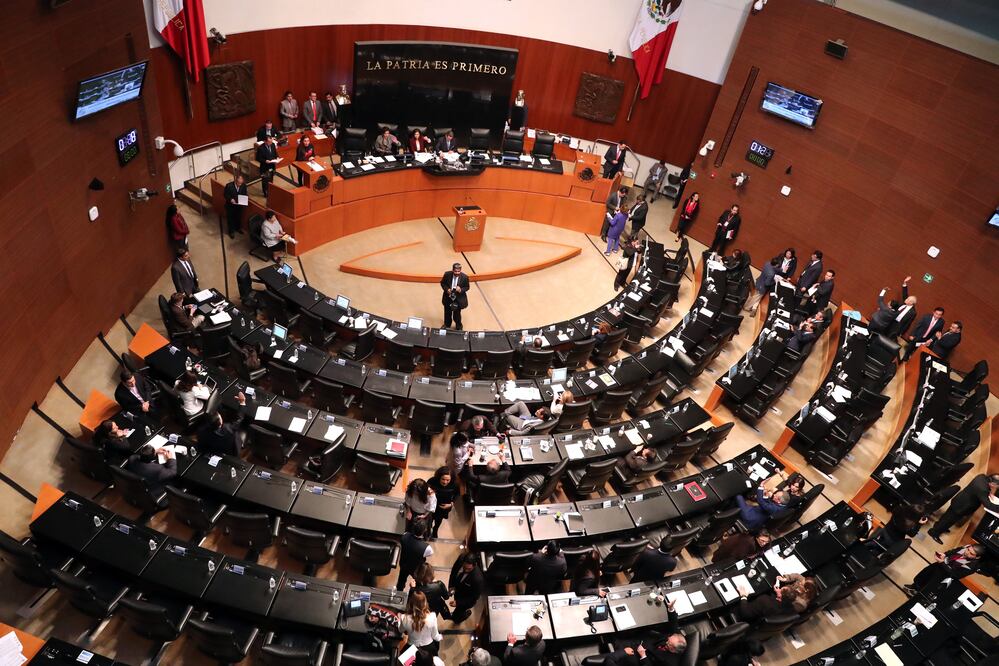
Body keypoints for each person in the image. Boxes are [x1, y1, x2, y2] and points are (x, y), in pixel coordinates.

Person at [604, 600, 685, 665]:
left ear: (673, 649)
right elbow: (674, 624)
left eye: (669, 643)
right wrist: (671, 609)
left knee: (620, 644)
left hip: (643, 658)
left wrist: (643, 656)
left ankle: (609, 640)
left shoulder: (669, 663)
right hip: (646, 642)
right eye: (669, 639)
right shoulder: (677, 638)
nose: (667, 640)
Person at [927, 473, 999, 543]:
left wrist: (989, 493)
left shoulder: (981, 477)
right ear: (993, 484)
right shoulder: (983, 489)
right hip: (962, 506)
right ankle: (934, 533)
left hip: (960, 500)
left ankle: (939, 526)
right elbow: (988, 505)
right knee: (950, 519)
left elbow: (981, 490)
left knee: (948, 515)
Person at [904, 544, 985, 595]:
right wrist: (945, 554)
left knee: (928, 584)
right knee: (924, 574)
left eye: (971, 554)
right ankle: (914, 586)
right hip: (940, 564)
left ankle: (916, 593)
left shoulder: (972, 566)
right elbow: (953, 551)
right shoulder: (966, 547)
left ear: (977, 557)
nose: (967, 552)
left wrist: (942, 562)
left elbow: (954, 575)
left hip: (944, 575)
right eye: (968, 550)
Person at [736, 574, 816, 622]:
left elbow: (745, 614)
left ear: (779, 596)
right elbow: (798, 577)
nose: (799, 584)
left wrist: (743, 596)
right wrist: (785, 579)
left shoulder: (765, 600)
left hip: (745, 617)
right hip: (769, 612)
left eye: (780, 589)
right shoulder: (790, 606)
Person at [398, 519, 434, 591]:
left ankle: (399, 592)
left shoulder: (404, 536)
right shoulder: (427, 548)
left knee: (401, 581)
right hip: (417, 569)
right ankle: (415, 593)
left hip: (404, 564)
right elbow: (430, 553)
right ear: (424, 531)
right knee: (418, 583)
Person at [448, 552, 484, 623]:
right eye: (464, 567)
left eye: (469, 569)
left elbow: (474, 598)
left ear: (475, 565)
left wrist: (458, 603)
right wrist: (451, 586)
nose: (465, 570)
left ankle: (462, 616)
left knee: (457, 616)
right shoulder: (461, 558)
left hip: (465, 599)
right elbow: (453, 572)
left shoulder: (478, 579)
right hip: (458, 592)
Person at [427, 466, 458, 538]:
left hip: (443, 507)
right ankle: (428, 530)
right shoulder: (432, 481)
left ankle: (435, 530)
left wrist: (451, 504)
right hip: (432, 505)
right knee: (429, 520)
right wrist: (428, 492)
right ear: (439, 477)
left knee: (439, 520)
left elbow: (457, 495)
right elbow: (426, 489)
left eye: (448, 480)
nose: (445, 482)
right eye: (443, 479)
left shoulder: (454, 485)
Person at [441, 262, 470, 330]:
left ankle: (459, 326)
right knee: (447, 312)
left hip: (458, 298)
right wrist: (447, 289)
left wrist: (460, 290)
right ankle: (447, 324)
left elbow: (467, 287)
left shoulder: (465, 277)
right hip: (448, 296)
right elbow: (442, 283)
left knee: (457, 314)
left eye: (458, 271)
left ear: (460, 270)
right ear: (452, 270)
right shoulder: (447, 274)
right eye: (455, 271)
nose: (457, 273)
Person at [223, 174, 248, 238]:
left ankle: (238, 228)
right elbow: (225, 194)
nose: (240, 185)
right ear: (235, 181)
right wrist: (230, 199)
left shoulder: (243, 185)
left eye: (241, 183)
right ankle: (231, 231)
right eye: (239, 183)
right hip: (230, 206)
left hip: (239, 206)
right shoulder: (229, 186)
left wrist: (244, 199)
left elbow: (245, 194)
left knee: (238, 217)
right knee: (230, 219)